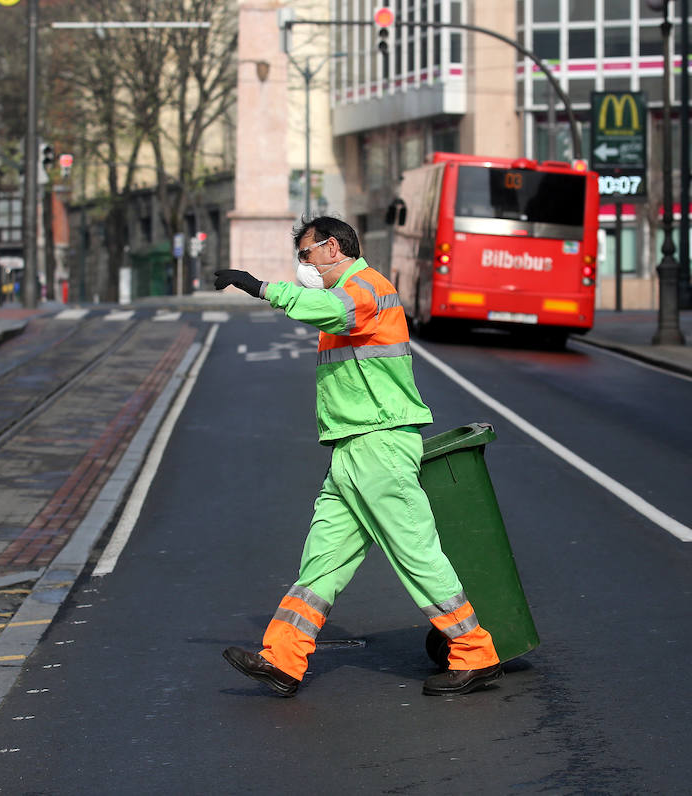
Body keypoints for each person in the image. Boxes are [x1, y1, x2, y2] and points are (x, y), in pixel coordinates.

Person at [214, 216, 503, 697]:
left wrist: (263, 288)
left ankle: (476, 652)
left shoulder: (365, 288)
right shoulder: (346, 295)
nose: (304, 266)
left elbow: (330, 312)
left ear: (331, 248)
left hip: (381, 445)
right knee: (322, 561)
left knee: (416, 554)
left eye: (305, 255)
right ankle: (284, 659)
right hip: (351, 449)